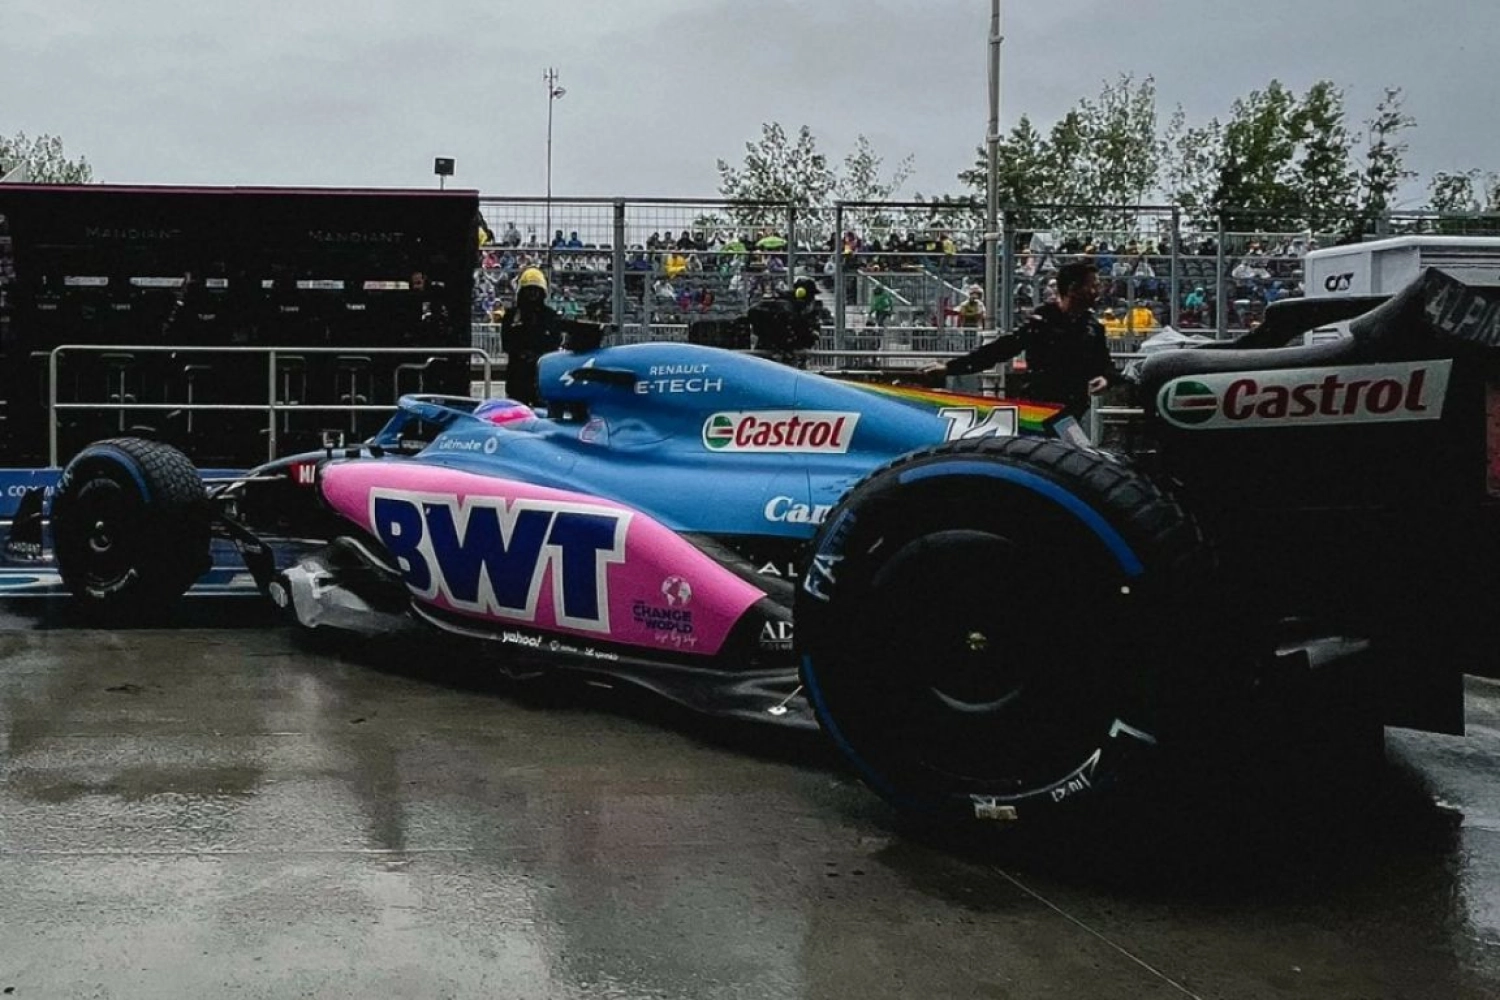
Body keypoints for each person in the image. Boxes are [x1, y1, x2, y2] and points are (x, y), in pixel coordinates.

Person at [920, 261, 1122, 421]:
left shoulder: (1093, 328)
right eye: (1093, 286)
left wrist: (1106, 379)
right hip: (1039, 409)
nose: (1098, 291)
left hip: (1075, 411)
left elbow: (1105, 366)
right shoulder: (1042, 322)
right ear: (1073, 289)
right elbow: (1000, 350)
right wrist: (950, 368)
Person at [499, 267, 602, 406]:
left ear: (542, 292)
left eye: (535, 291)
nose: (532, 295)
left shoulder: (550, 315)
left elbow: (555, 341)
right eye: (529, 290)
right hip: (518, 375)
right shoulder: (511, 316)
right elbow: (506, 342)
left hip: (542, 372)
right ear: (521, 292)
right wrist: (522, 354)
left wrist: (539, 356)